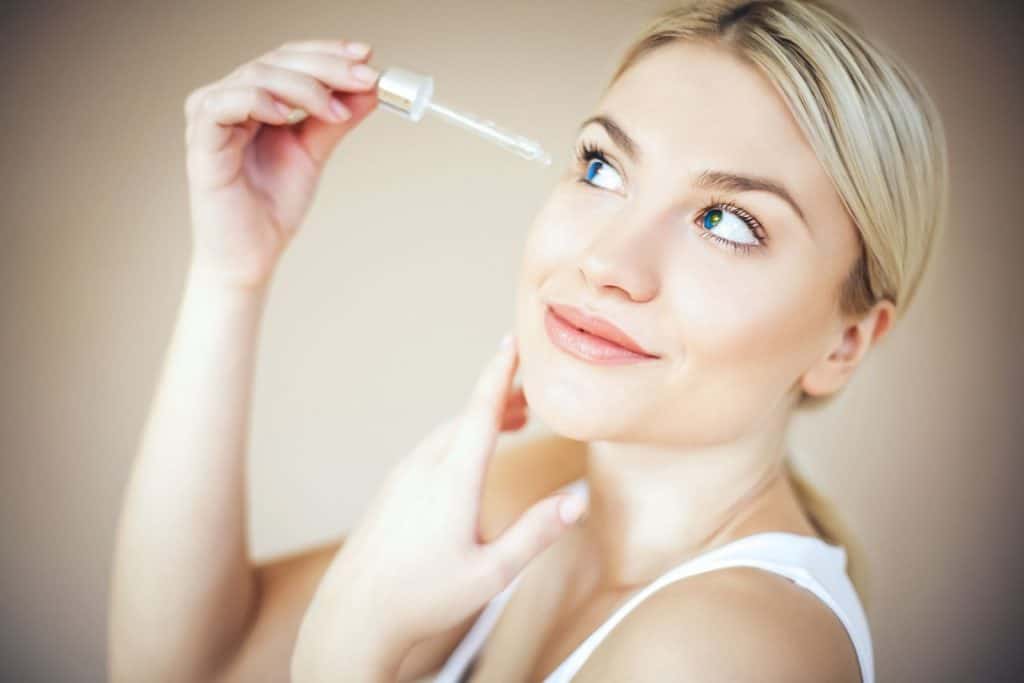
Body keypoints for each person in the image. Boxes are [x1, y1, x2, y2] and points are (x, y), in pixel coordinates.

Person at [109, 1, 948, 681]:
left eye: (726, 221)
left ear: (846, 342)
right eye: (601, 169)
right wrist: (231, 270)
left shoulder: (730, 652)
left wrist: (344, 653)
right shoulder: (547, 497)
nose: (609, 260)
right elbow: (192, 667)